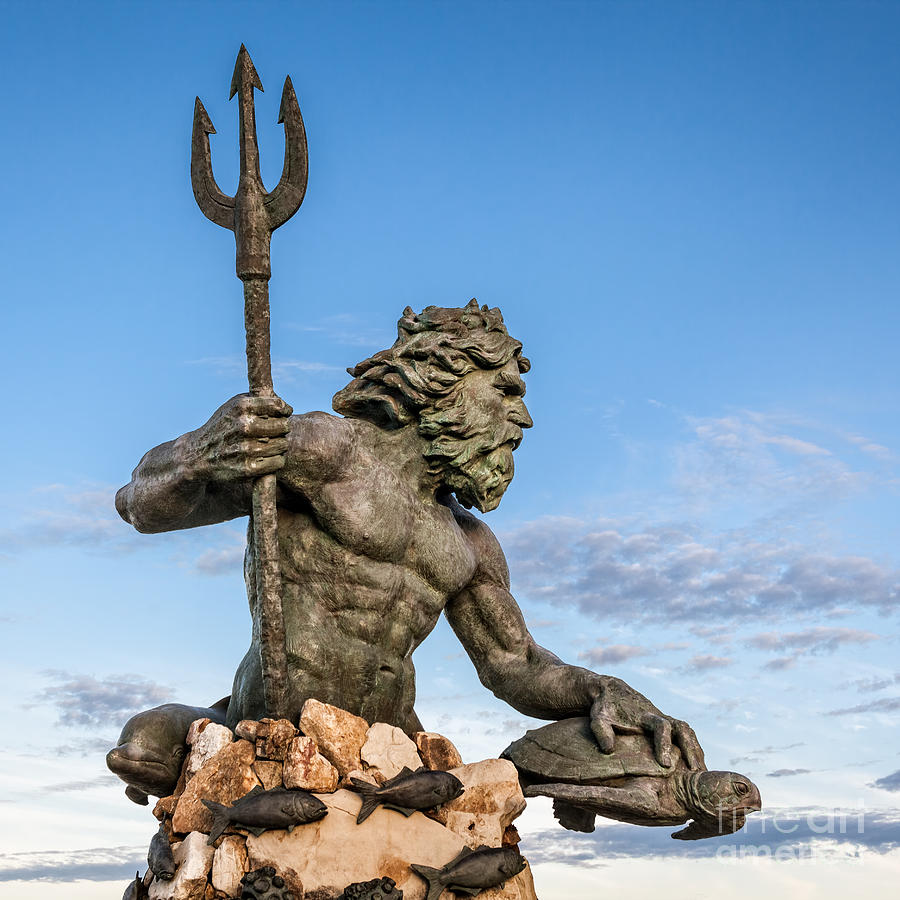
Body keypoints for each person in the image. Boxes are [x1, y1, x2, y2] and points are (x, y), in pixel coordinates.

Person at [110, 301, 701, 801]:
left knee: (650, 770)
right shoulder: (330, 452)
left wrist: (602, 687)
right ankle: (202, 737)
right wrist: (200, 454)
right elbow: (138, 504)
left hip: (390, 738)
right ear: (444, 378)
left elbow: (515, 666)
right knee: (146, 741)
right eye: (506, 392)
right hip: (269, 717)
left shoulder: (468, 541)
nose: (521, 417)